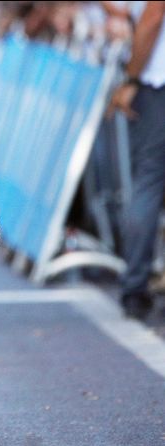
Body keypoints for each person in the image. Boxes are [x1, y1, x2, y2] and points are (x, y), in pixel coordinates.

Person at [109, 1, 165, 321]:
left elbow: (153, 15)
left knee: (148, 183)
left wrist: (131, 79)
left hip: (157, 83)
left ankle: (134, 287)